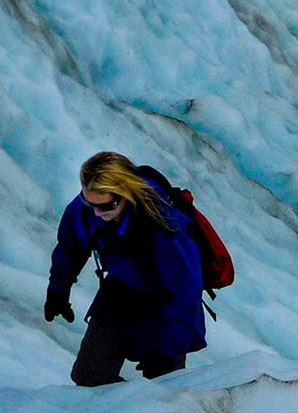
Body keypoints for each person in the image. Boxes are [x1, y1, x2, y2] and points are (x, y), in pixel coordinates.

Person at [45, 152, 206, 386]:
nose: (98, 214)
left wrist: (168, 350)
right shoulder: (85, 208)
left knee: (166, 388)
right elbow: (70, 247)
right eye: (91, 204)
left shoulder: (163, 223)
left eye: (107, 206)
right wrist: (58, 290)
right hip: (118, 295)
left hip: (164, 305)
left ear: (125, 194)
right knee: (89, 376)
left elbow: (186, 291)